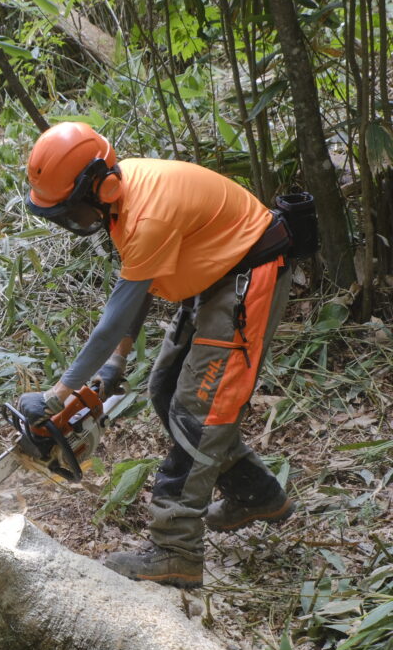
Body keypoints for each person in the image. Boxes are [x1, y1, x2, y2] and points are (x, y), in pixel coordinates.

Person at [15, 121, 297, 589]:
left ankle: (176, 549)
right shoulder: (122, 201)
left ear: (99, 186)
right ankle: (257, 495)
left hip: (248, 274)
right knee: (166, 391)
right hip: (215, 274)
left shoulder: (147, 214)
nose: (74, 221)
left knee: (199, 413)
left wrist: (57, 394)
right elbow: (138, 291)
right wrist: (114, 366)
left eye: (72, 211)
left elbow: (111, 321)